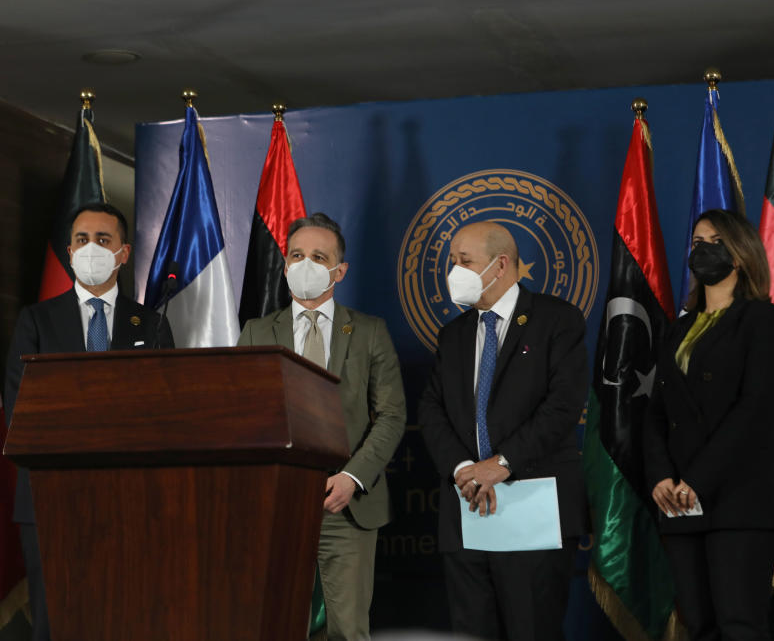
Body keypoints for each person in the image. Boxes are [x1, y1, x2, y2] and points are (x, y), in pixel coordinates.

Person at [3, 202, 173, 641]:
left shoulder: (150, 325)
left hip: (129, 498)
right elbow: (22, 409)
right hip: (49, 496)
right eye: (82, 240)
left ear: (123, 253)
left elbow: (164, 415)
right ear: (69, 250)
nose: (91, 248)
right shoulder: (35, 321)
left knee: (124, 616)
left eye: (103, 240)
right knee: (54, 619)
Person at [238, 213, 406, 641]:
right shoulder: (256, 332)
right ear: (285, 263)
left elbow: (391, 414)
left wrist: (352, 477)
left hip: (346, 506)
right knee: (273, 625)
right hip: (277, 506)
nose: (305, 264)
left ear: (339, 270)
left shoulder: (369, 332)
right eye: (297, 255)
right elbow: (244, 418)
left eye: (318, 256)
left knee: (348, 631)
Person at [417, 220, 588, 640]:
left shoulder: (556, 320)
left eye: (464, 261)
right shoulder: (453, 334)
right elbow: (432, 408)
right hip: (468, 508)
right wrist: (464, 469)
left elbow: (562, 406)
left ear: (501, 265)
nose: (452, 271)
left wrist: (501, 464)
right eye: (451, 261)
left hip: (534, 508)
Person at [643, 209, 774, 641]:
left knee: (739, 624)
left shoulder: (766, 322)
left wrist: (697, 478)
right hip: (679, 501)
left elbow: (754, 410)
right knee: (700, 625)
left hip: (740, 499)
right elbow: (656, 412)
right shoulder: (679, 329)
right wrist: (661, 478)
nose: (701, 250)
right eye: (695, 243)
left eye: (713, 242)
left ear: (741, 256)